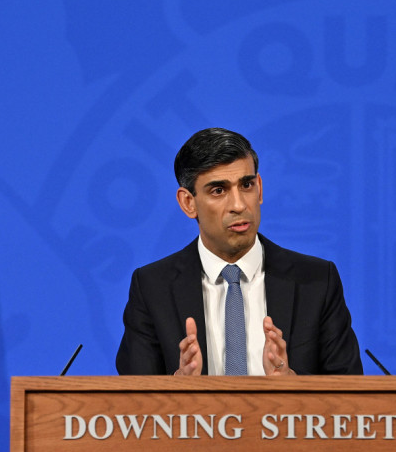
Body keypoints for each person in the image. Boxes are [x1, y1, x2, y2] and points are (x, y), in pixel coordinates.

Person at [116, 127, 363, 376]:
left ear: (260, 189)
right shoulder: (152, 287)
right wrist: (178, 391)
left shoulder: (317, 281)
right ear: (188, 203)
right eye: (218, 190)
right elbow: (132, 404)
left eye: (246, 185)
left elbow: (352, 403)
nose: (239, 204)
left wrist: (293, 388)